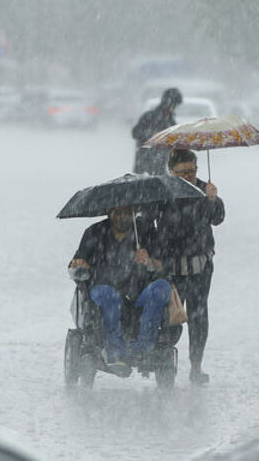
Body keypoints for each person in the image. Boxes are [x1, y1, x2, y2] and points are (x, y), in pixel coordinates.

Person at [68, 206, 170, 376]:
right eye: (118, 212)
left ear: (133, 213)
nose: (123, 217)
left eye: (127, 212)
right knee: (108, 295)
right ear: (109, 212)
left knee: (162, 288)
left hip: (138, 293)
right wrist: (80, 265)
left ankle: (143, 350)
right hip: (103, 290)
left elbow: (165, 265)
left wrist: (149, 261)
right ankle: (115, 351)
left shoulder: (146, 231)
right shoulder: (94, 232)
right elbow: (76, 263)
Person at [155, 149, 225, 384]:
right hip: (172, 269)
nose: (188, 176)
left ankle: (196, 366)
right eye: (182, 172)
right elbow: (146, 222)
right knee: (172, 316)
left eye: (192, 171)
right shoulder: (162, 191)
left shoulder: (205, 190)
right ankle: (165, 365)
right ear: (170, 171)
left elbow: (218, 218)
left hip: (200, 268)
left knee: (199, 315)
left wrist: (213, 200)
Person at [132, 88, 182, 175]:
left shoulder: (171, 122)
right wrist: (152, 134)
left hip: (160, 166)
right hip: (143, 165)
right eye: (174, 105)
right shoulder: (149, 116)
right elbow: (135, 132)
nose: (174, 108)